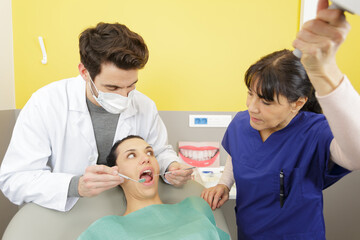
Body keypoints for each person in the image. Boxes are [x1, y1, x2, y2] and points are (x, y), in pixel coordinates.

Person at [201, 0, 360, 239]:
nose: (251, 108)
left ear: (298, 103)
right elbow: (238, 156)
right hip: (249, 233)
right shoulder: (241, 123)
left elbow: (356, 154)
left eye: (266, 102)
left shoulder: (316, 132)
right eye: (250, 94)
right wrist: (224, 183)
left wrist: (325, 71)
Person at [0, 22, 192, 212]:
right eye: (113, 88)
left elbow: (159, 151)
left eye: (131, 85)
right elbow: (14, 178)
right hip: (67, 219)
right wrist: (76, 185)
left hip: (126, 214)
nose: (125, 96)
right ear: (85, 72)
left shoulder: (144, 105)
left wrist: (171, 167)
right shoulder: (46, 103)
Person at [77, 135, 230, 240]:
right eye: (131, 155)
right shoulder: (104, 231)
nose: (146, 158)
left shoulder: (195, 206)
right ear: (116, 173)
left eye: (150, 152)